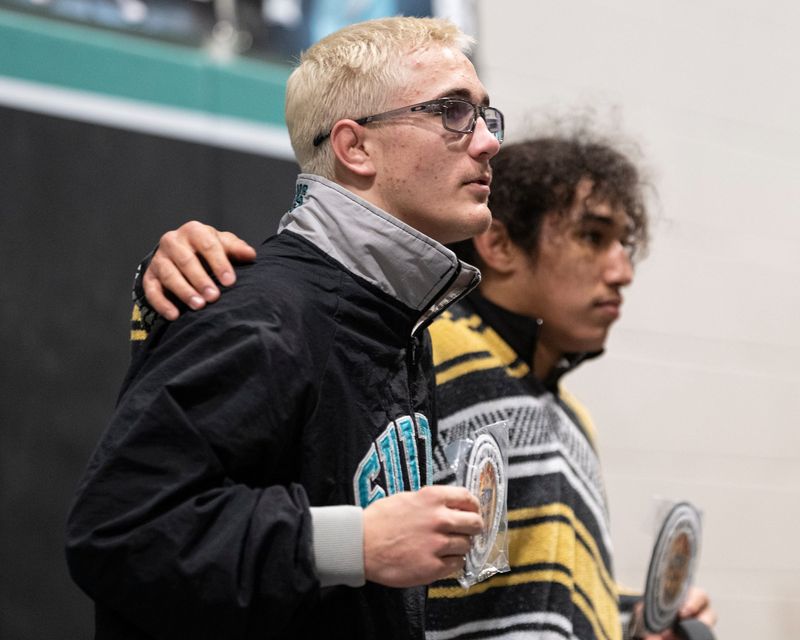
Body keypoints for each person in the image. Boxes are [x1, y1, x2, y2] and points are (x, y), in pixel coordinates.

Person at [135, 133, 718, 640]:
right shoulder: (420, 345)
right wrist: (172, 274)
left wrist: (629, 621)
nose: (621, 271)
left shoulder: (572, 417)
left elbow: (525, 602)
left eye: (625, 245)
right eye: (593, 237)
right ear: (501, 244)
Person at [66, 16, 507, 639]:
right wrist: (352, 543)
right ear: (356, 148)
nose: (487, 142)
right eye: (452, 112)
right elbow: (118, 530)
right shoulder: (262, 312)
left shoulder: (395, 321)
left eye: (486, 116)